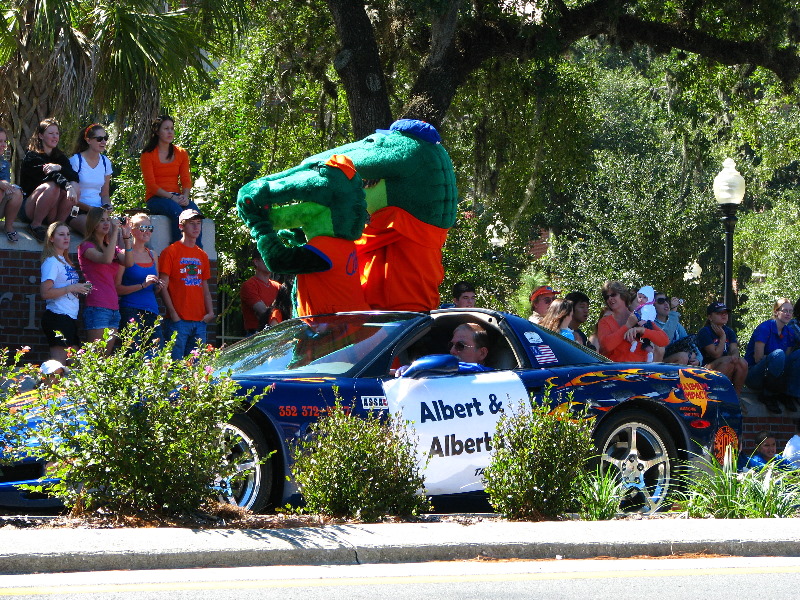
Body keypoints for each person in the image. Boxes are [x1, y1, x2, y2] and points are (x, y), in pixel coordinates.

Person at [159, 209, 214, 359]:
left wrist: (210, 313)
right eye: (191, 224)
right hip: (178, 321)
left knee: (195, 370)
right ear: (181, 226)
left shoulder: (202, 255)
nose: (196, 227)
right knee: (174, 367)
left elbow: (205, 288)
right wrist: (174, 314)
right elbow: (163, 286)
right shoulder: (170, 252)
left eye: (198, 223)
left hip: (200, 321)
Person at [77, 207, 134, 353]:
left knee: (105, 358)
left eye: (108, 219)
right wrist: (115, 231)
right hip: (97, 305)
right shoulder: (85, 246)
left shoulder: (111, 247)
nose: (106, 223)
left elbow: (129, 263)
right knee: (95, 357)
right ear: (93, 223)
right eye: (101, 220)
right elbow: (106, 259)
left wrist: (127, 239)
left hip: (114, 307)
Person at [140, 115, 200, 244]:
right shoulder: (147, 155)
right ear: (157, 131)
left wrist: (185, 196)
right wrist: (171, 197)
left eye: (172, 129)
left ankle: (197, 251)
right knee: (177, 212)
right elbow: (151, 186)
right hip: (156, 198)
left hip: (177, 196)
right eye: (166, 128)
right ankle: (177, 249)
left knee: (195, 215)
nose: (170, 132)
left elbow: (186, 179)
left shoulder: (181, 152)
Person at [20, 118, 79, 242]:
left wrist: (59, 167)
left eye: (57, 133)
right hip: (30, 208)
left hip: (53, 209)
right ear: (41, 136)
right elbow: (52, 177)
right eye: (51, 133)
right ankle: (35, 225)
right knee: (52, 186)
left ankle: (58, 226)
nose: (55, 137)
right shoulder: (32, 156)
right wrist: (67, 187)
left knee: (75, 185)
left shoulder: (59, 157)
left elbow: (74, 176)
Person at [39, 221, 92, 362]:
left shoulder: (65, 261)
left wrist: (80, 288)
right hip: (57, 316)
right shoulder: (51, 262)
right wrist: (72, 288)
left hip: (69, 317)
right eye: (61, 235)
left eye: (68, 234)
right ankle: (44, 384)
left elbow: (67, 287)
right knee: (58, 367)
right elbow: (45, 293)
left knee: (73, 365)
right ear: (51, 238)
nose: (66, 238)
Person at [743, 297, 800, 414]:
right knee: (778, 354)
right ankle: (768, 395)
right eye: (784, 311)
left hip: (774, 376)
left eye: (790, 311)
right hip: (754, 374)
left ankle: (789, 394)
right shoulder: (765, 327)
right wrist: (774, 360)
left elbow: (787, 360)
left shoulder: (789, 332)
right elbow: (758, 358)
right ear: (776, 312)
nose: (788, 314)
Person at [116, 212, 164, 347]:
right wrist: (142, 285)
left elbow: (153, 289)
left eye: (150, 228)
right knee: (132, 354)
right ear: (132, 230)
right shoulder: (124, 254)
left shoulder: (152, 254)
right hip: (131, 310)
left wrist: (158, 286)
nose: (147, 232)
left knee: (157, 355)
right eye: (143, 228)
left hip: (152, 310)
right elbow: (117, 288)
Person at [597, 280, 668, 362]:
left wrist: (642, 330)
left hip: (640, 371)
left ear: (623, 295)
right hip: (615, 371)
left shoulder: (639, 316)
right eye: (606, 297)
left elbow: (664, 341)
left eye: (613, 295)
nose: (610, 298)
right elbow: (606, 346)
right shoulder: (605, 321)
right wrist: (627, 326)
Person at [67, 124, 113, 235]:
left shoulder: (105, 162)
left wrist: (108, 206)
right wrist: (91, 209)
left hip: (99, 212)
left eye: (105, 138)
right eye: (99, 139)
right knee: (95, 230)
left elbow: (105, 194)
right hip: (76, 210)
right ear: (88, 140)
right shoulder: (76, 161)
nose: (103, 142)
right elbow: (70, 197)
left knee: (116, 233)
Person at [696, 302, 748, 396]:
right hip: (705, 369)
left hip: (726, 365)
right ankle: (716, 395)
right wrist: (723, 337)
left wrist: (735, 357)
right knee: (728, 361)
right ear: (710, 317)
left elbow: (734, 349)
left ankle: (736, 397)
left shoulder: (729, 331)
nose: (724, 315)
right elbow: (716, 354)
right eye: (719, 313)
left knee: (742, 362)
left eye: (725, 312)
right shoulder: (705, 332)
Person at [240, 247, 282, 335]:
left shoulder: (278, 286)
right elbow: (263, 311)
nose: (271, 261)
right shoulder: (249, 285)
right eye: (267, 258)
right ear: (256, 262)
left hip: (276, 334)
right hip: (255, 335)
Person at [653, 292, 697, 365]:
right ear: (653, 306)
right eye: (661, 301)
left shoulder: (676, 325)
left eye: (667, 300)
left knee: (691, 355)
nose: (666, 303)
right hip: (657, 363)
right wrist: (673, 312)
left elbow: (689, 343)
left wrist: (698, 360)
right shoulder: (650, 323)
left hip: (673, 361)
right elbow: (665, 339)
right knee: (683, 357)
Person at [0, 126, 23, 242]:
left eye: (5, 141)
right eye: (0, 141)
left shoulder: (4, 163)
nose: (3, 145)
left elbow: (6, 183)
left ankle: (8, 226)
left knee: (17, 192)